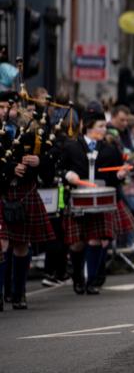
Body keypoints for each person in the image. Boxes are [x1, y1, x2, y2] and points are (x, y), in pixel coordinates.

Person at [0, 92, 56, 309]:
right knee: (2, 244)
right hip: (3, 192)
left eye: (9, 107)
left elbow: (51, 165)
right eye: (2, 106)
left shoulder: (35, 134)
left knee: (21, 246)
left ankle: (18, 293)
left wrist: (39, 161)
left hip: (25, 194)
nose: (6, 111)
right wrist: (10, 168)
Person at [61, 110, 124, 295]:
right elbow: (61, 167)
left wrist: (119, 176)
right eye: (101, 126)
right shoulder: (72, 147)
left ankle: (92, 281)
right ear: (88, 127)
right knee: (77, 242)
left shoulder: (110, 150)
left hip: (100, 200)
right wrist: (67, 175)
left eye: (105, 126)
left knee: (96, 239)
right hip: (78, 199)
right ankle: (79, 276)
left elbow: (115, 176)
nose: (105, 130)